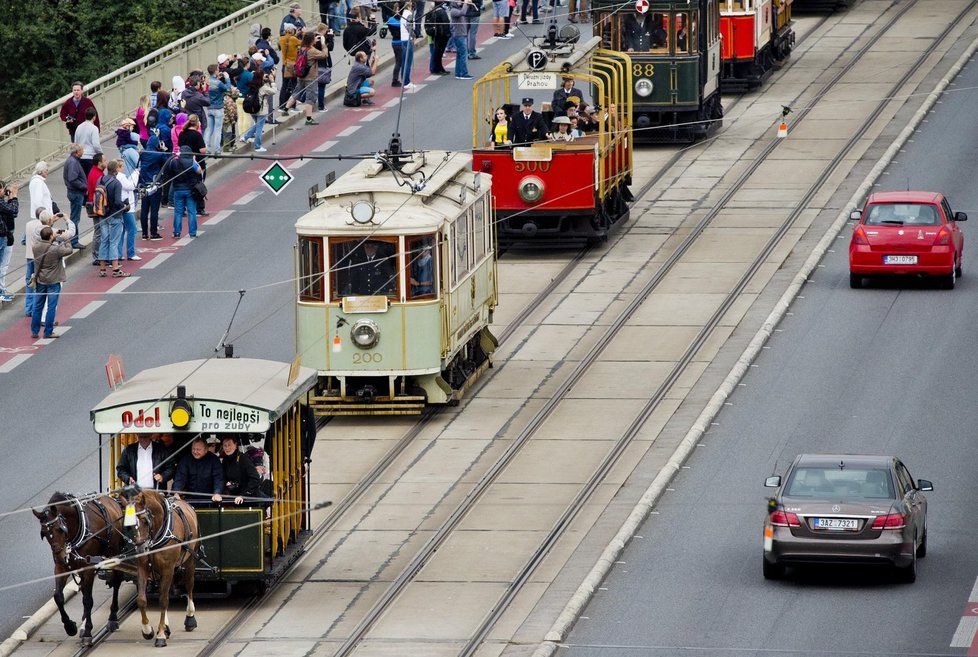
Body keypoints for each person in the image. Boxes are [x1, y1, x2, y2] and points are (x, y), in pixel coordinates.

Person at [30, 222, 75, 339]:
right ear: (50, 236)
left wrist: (51, 236)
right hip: (53, 281)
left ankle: (34, 331)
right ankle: (48, 331)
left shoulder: (35, 247)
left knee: (38, 306)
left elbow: (44, 243)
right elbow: (69, 250)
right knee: (51, 307)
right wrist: (66, 239)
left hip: (40, 280)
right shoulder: (55, 249)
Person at [284, 32, 330, 125]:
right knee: (310, 98)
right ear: (311, 40)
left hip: (301, 75)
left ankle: (286, 109)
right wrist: (323, 44)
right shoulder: (312, 50)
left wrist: (314, 42)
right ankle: (309, 119)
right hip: (311, 77)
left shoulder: (302, 48)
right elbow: (324, 55)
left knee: (297, 92)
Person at [97, 160, 129, 278]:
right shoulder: (116, 183)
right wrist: (124, 206)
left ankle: (102, 269)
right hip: (114, 215)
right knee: (114, 242)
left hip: (102, 214)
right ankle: (115, 269)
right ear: (116, 170)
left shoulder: (100, 180)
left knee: (104, 240)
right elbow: (117, 201)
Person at [163, 146, 203, 239]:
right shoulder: (191, 162)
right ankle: (192, 233)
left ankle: (177, 232)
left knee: (178, 212)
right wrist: (195, 160)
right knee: (192, 212)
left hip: (177, 190)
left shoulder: (174, 162)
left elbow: (169, 171)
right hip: (190, 190)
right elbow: (199, 171)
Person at [172, 437, 224, 503]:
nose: (195, 452)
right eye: (193, 449)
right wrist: (176, 492)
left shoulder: (214, 460)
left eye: (198, 449)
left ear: (206, 450)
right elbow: (180, 477)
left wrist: (217, 493)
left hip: (210, 499)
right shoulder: (186, 460)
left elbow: (218, 478)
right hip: (189, 499)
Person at [240, 62, 276, 152]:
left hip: (252, 109)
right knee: (259, 127)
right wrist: (272, 81)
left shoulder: (251, 84)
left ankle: (246, 137)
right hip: (261, 109)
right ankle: (257, 146)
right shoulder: (263, 87)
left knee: (256, 125)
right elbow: (273, 91)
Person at [138, 133, 168, 241]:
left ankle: (144, 233)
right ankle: (154, 232)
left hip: (144, 183)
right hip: (155, 184)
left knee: (144, 209)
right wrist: (163, 150)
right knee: (154, 210)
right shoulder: (159, 155)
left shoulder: (143, 153)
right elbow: (166, 164)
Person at [221, 436, 261, 504]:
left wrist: (244, 495)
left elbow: (255, 478)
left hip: (248, 499)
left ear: (236, 445)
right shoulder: (225, 460)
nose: (227, 448)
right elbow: (223, 477)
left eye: (229, 445)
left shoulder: (243, 458)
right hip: (232, 497)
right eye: (225, 445)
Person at [115, 158, 140, 261]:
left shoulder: (118, 176)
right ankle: (131, 253)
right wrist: (136, 173)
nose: (124, 168)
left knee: (122, 231)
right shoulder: (121, 176)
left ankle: (119, 254)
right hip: (127, 207)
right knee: (132, 230)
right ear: (119, 167)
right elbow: (131, 186)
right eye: (123, 166)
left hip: (122, 207)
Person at [63, 145, 87, 249]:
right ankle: (73, 240)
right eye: (82, 150)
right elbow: (73, 179)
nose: (83, 151)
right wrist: (84, 186)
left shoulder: (72, 161)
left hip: (75, 192)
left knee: (74, 217)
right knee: (75, 218)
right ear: (77, 152)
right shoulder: (73, 162)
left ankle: (72, 239)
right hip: (76, 193)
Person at [205, 64, 232, 154]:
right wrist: (227, 78)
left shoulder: (207, 81)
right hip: (218, 108)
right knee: (217, 129)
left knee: (209, 129)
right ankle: (217, 150)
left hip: (209, 108)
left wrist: (218, 78)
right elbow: (228, 88)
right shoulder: (219, 83)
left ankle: (207, 149)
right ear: (216, 71)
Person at [86, 154, 106, 265]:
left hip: (94, 204)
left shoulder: (95, 172)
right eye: (105, 160)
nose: (106, 163)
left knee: (99, 231)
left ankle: (97, 254)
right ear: (99, 163)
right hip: (96, 205)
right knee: (99, 231)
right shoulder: (97, 175)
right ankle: (97, 256)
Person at [0, 181, 17, 304]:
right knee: (2, 265)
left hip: (5, 235)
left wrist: (10, 198)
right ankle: (1, 291)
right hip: (2, 236)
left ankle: (2, 290)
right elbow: (13, 209)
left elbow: (12, 212)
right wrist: (14, 195)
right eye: (2, 189)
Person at [278, 23, 302, 109]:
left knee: (284, 85)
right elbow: (303, 43)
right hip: (293, 64)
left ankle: (282, 104)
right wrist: (301, 34)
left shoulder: (281, 39)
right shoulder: (293, 39)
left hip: (285, 64)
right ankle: (292, 104)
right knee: (294, 84)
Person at [73, 107, 102, 177]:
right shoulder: (94, 128)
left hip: (80, 157)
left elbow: (75, 142)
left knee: (83, 179)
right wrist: (101, 153)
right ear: (94, 117)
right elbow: (96, 144)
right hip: (90, 157)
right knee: (90, 180)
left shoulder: (79, 127)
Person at [449, 0, 474, 80]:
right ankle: (463, 73)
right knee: (463, 55)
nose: (460, 1)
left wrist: (468, 4)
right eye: (458, 1)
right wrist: (466, 3)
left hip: (461, 35)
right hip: (459, 36)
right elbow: (463, 12)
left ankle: (458, 73)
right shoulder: (453, 11)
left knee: (460, 55)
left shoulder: (458, 9)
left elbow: (465, 11)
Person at [313, 24, 335, 110]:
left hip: (315, 65)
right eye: (326, 31)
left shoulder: (314, 38)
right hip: (321, 65)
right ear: (323, 30)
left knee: (312, 86)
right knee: (321, 86)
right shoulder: (320, 39)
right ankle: (321, 106)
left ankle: (303, 100)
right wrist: (330, 38)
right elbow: (330, 48)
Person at [426, 0, 451, 75]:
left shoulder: (433, 11)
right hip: (441, 35)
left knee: (438, 53)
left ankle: (439, 68)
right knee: (438, 53)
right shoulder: (440, 12)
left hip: (437, 34)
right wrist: (448, 34)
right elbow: (446, 24)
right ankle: (437, 69)